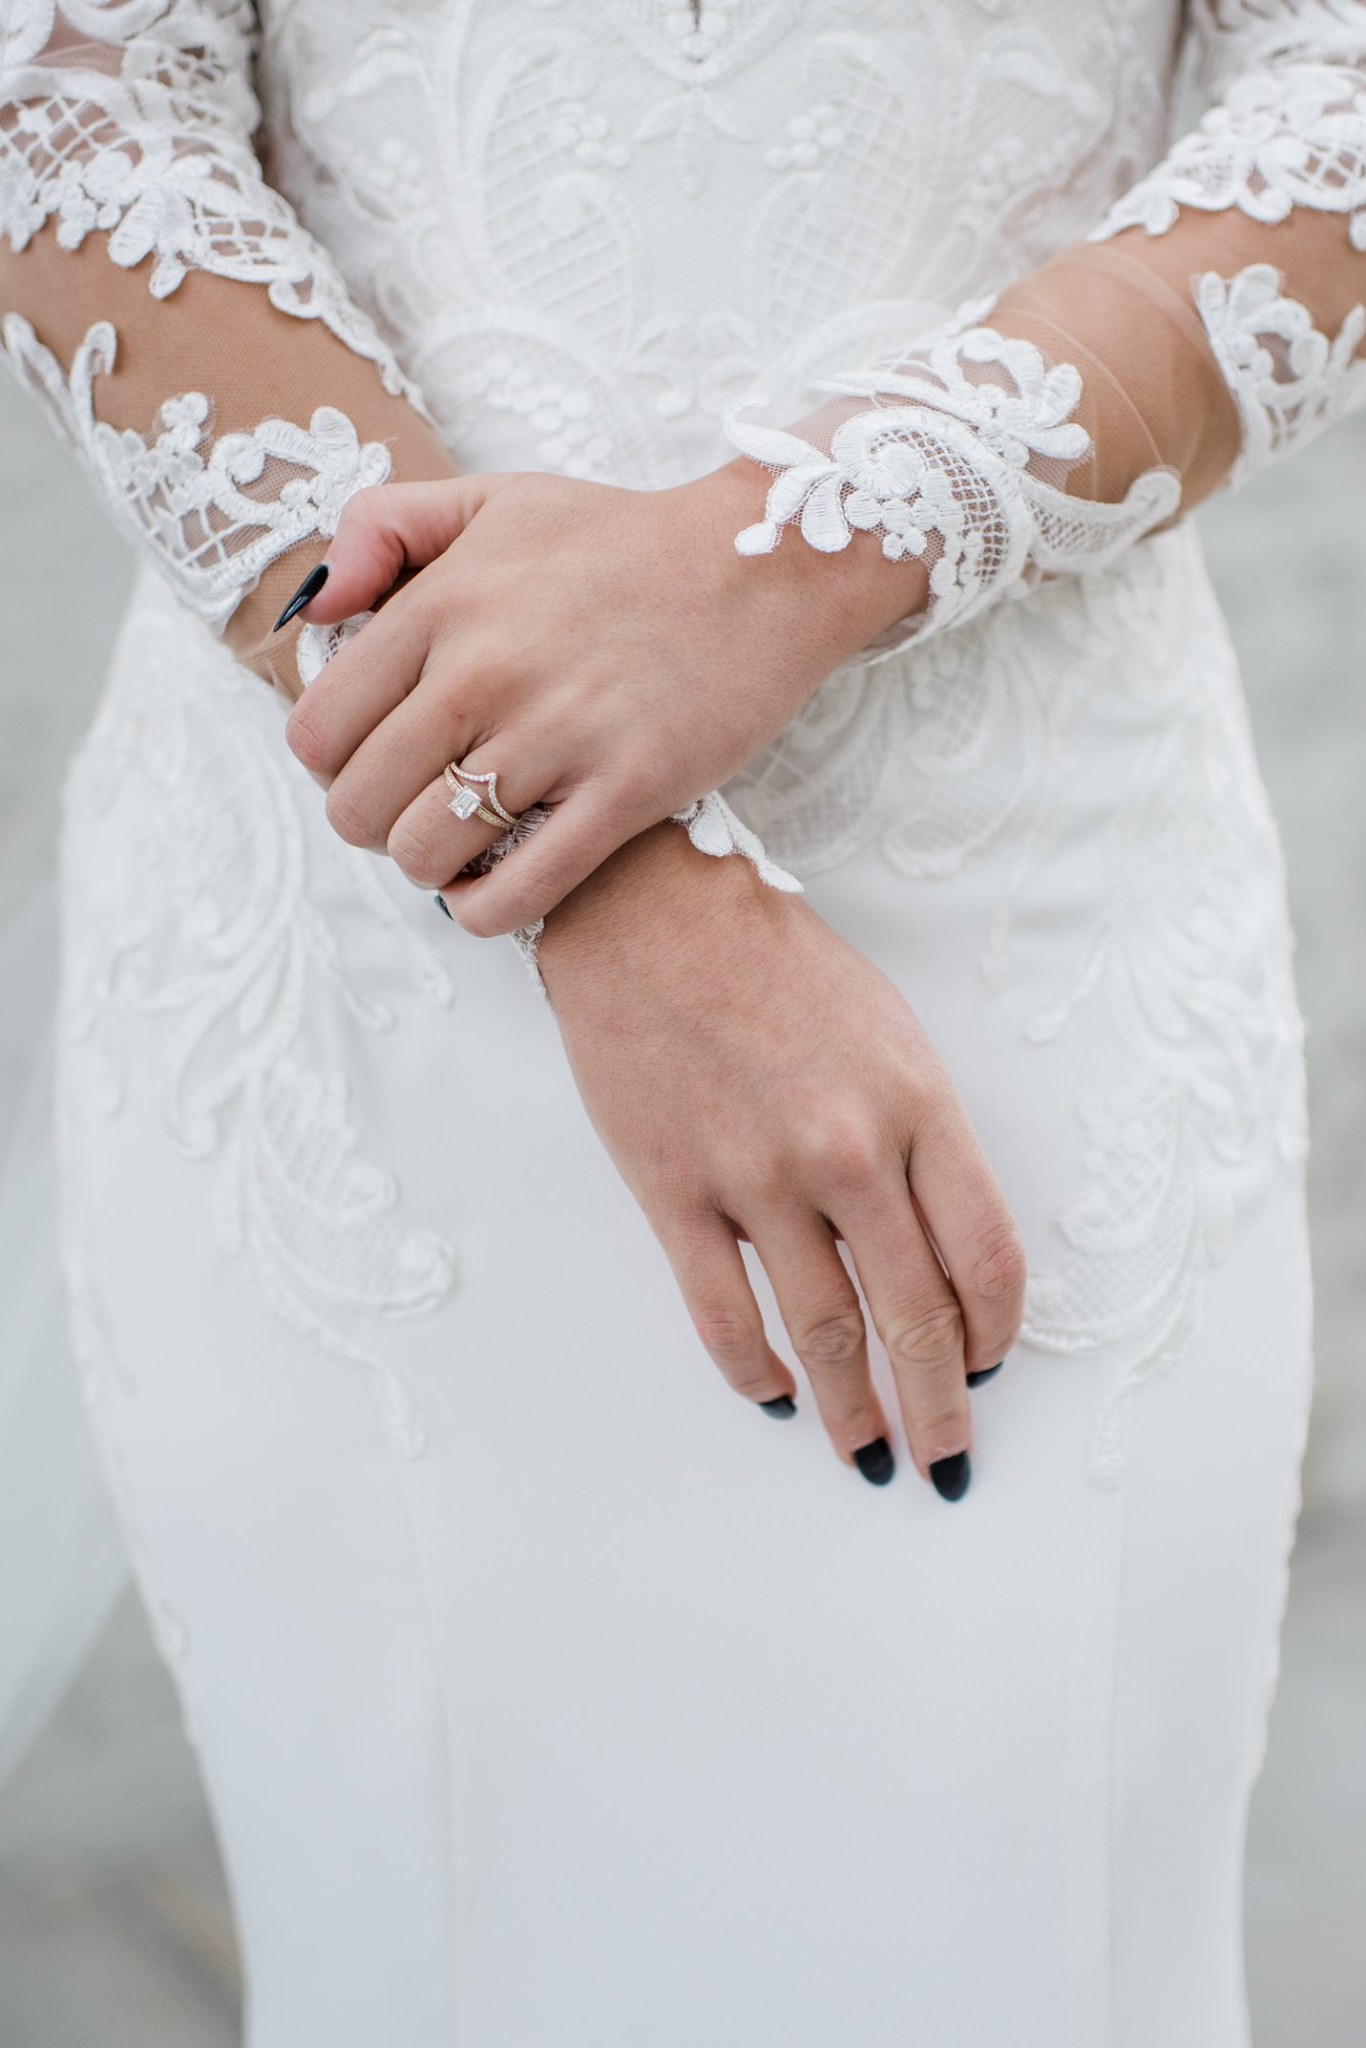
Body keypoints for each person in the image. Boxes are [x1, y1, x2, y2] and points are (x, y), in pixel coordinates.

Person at [0, 2, 1361, 2041]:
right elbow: (74, 101)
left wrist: (786, 555)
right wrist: (591, 865)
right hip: (368, 984)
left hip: (1022, 964)